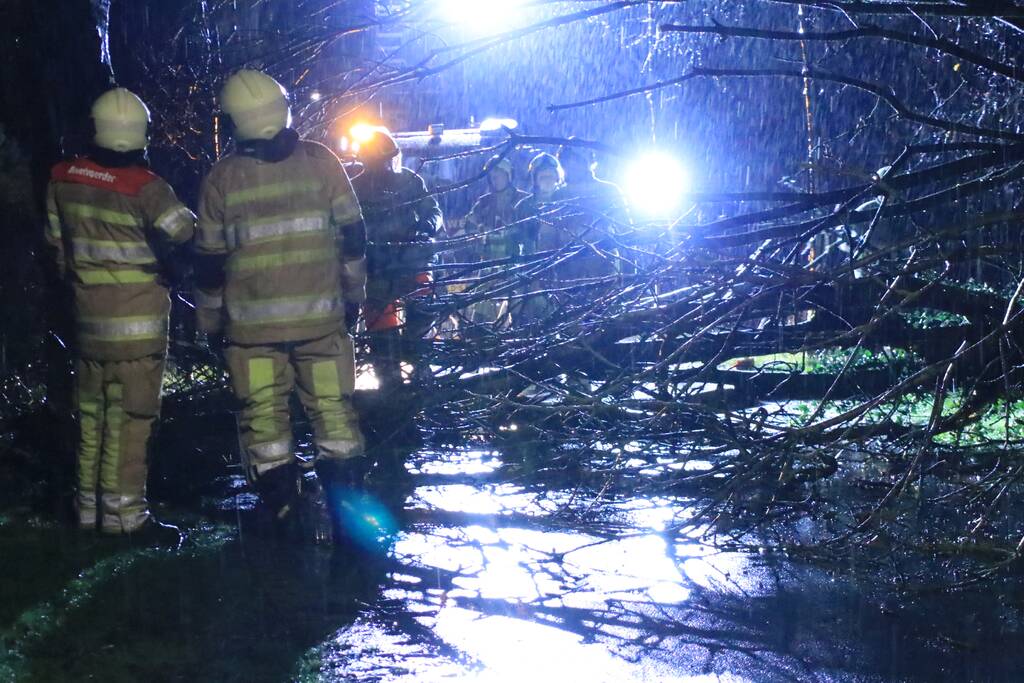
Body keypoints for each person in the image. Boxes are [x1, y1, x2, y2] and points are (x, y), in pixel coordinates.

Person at [193, 69, 368, 544]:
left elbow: (208, 263)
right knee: (333, 413)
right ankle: (346, 512)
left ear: (234, 122)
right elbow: (353, 237)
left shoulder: (222, 179)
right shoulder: (321, 162)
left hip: (252, 337)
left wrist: (208, 321)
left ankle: (286, 514)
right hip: (322, 325)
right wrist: (354, 298)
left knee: (265, 422)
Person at [44, 87, 195, 545]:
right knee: (130, 422)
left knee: (91, 419)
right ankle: (125, 518)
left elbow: (56, 249)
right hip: (138, 330)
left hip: (87, 324)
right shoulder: (146, 188)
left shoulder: (61, 178)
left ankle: (87, 511)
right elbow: (185, 232)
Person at [351, 129, 442, 392]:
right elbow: (348, 225)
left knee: (422, 318)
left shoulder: (409, 181)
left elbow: (432, 210)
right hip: (378, 268)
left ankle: (420, 370)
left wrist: (426, 228)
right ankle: (390, 382)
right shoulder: (356, 187)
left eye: (391, 159)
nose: (388, 166)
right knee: (383, 332)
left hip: (411, 262)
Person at [463, 155, 528, 326]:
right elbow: (469, 226)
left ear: (509, 176)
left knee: (518, 308)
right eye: (492, 176)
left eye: (499, 174)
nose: (495, 179)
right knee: (481, 310)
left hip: (515, 261)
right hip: (489, 264)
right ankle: (480, 338)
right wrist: (479, 242)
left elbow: (529, 230)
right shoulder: (484, 203)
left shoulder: (522, 201)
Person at [553, 142, 631, 281]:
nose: (570, 165)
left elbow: (625, 229)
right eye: (566, 161)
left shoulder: (608, 191)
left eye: (574, 160)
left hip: (603, 264)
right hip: (569, 268)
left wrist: (630, 269)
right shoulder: (559, 195)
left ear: (586, 162)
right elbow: (550, 234)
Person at [513, 152, 564, 322]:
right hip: (530, 267)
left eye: (550, 175)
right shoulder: (524, 206)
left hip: (561, 266)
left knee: (557, 312)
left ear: (557, 177)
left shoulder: (566, 201)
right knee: (525, 312)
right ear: (535, 179)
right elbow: (516, 237)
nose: (547, 180)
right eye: (543, 176)